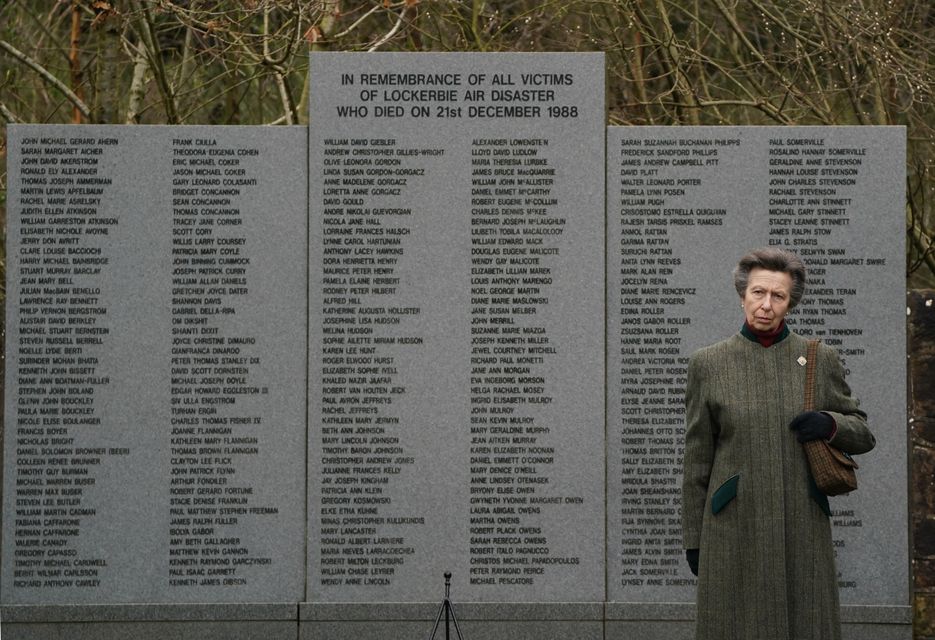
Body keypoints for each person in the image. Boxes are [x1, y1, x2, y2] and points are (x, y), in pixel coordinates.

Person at [681, 247, 875, 640]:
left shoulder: (820, 359)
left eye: (778, 296)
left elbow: (863, 433)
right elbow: (697, 458)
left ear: (791, 303)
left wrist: (829, 423)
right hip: (733, 526)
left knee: (806, 622)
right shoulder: (709, 363)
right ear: (742, 295)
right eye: (758, 293)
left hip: (801, 520)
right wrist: (693, 538)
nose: (766, 305)